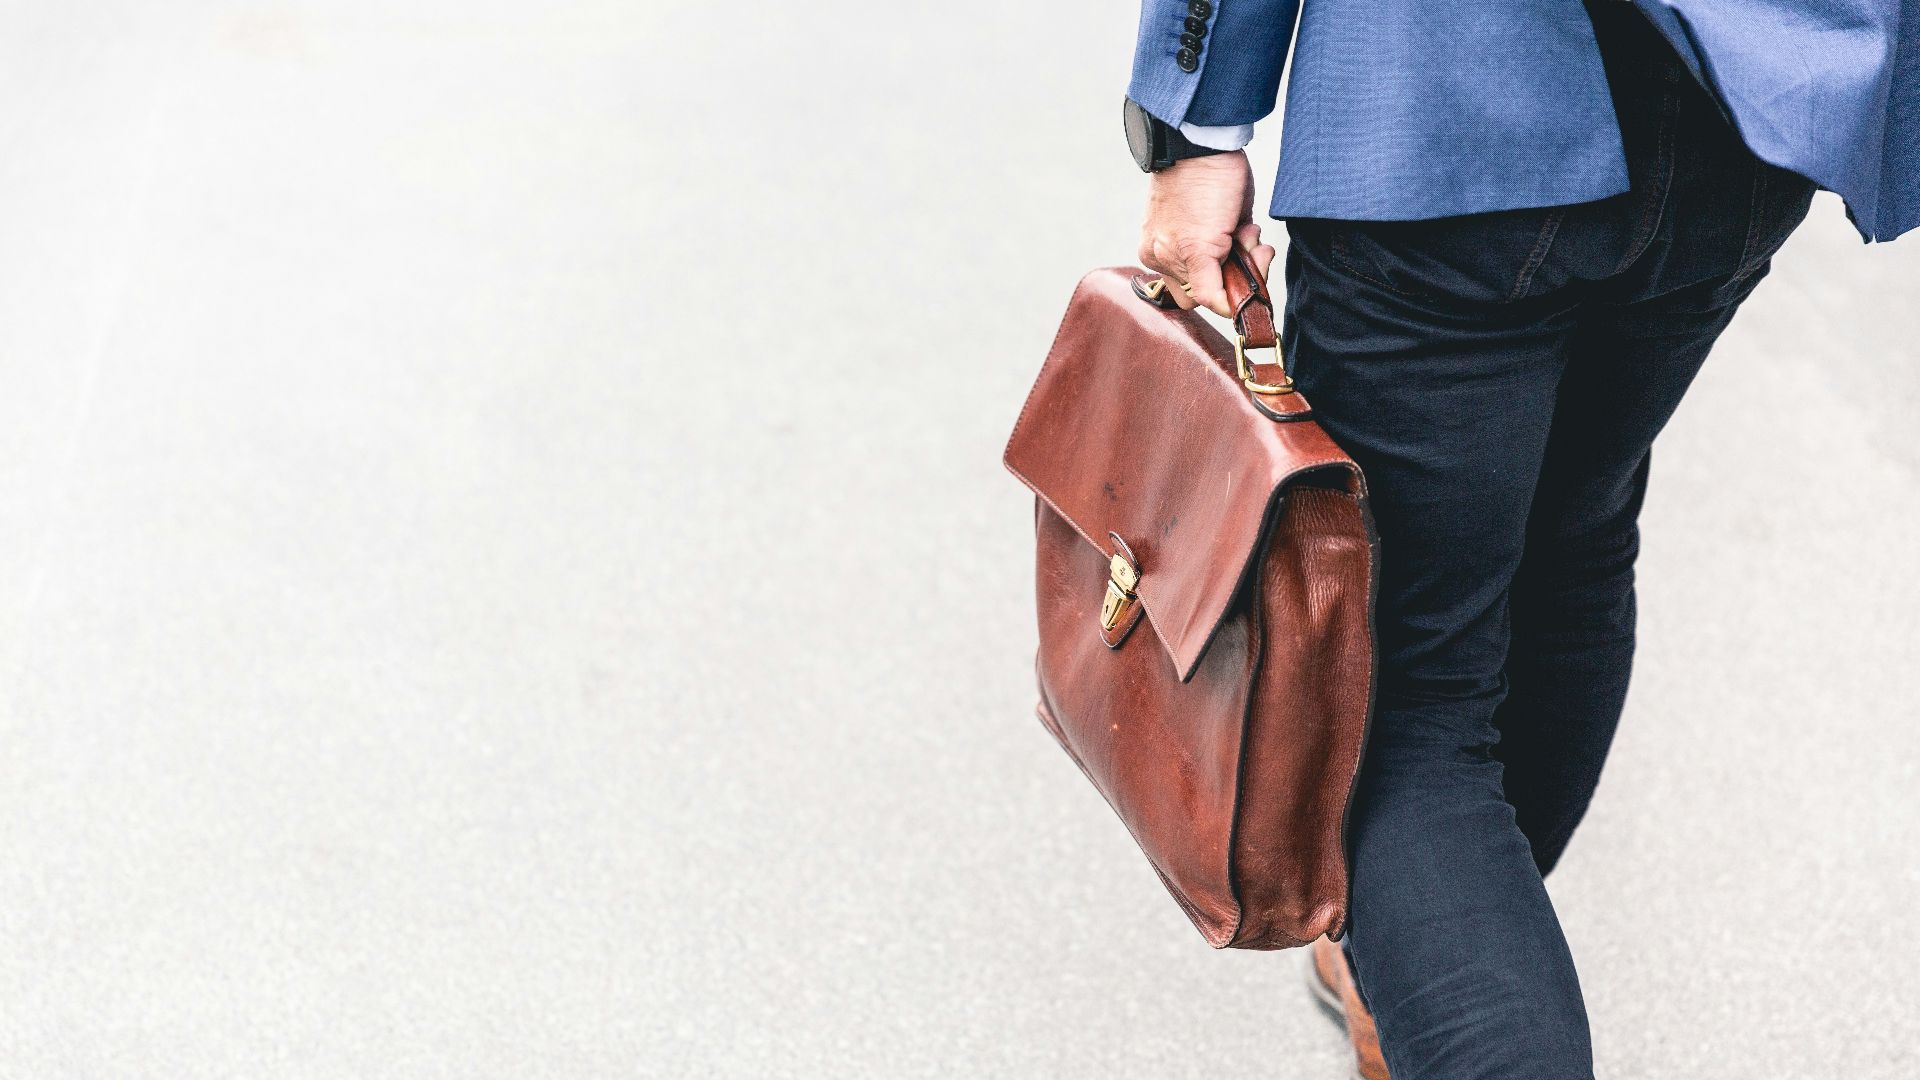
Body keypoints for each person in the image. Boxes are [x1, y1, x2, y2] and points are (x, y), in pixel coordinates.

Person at [1121, 1, 1917, 1077]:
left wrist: (1193, 121)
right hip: (1745, 115)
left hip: (1453, 104)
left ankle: (1440, 949)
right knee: (1573, 543)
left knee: (1400, 696)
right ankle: (1428, 945)